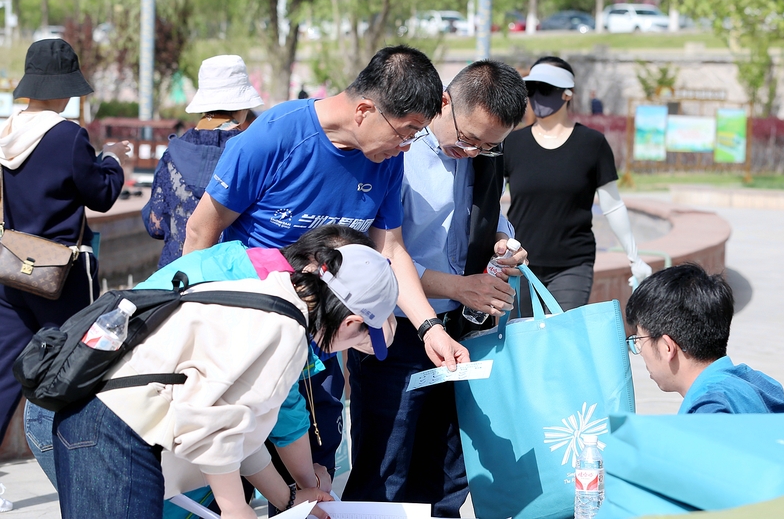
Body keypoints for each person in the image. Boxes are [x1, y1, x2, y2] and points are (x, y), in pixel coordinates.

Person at [183, 45, 470, 493]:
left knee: (314, 474)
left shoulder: (386, 161)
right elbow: (201, 231)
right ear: (364, 111)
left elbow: (391, 249)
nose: (407, 146)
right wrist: (197, 331)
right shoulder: (274, 137)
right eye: (407, 132)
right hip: (249, 341)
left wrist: (430, 328)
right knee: (239, 470)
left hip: (322, 343)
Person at [53, 231, 400, 519]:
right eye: (360, 339)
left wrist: (289, 498)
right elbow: (212, 423)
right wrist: (234, 507)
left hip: (95, 416)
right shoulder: (288, 332)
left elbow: (239, 429)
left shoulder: (272, 292)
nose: (351, 347)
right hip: (114, 428)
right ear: (351, 322)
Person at [344, 60, 529, 517]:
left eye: (488, 146)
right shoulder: (396, 152)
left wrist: (503, 240)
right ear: (444, 102)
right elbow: (382, 255)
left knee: (448, 466)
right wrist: (461, 287)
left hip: (461, 330)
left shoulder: (483, 153)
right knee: (385, 466)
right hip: (396, 330)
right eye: (468, 138)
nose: (473, 152)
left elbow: (487, 213)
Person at [0, 39, 129, 513]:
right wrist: (113, 160)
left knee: (2, 379)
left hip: (10, 269)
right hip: (59, 275)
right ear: (64, 88)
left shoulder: (7, 131)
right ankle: (85, 477)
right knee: (77, 376)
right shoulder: (68, 136)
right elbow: (101, 195)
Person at [504, 56, 652, 314]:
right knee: (524, 336)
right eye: (531, 89)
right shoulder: (512, 144)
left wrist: (635, 258)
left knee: (562, 333)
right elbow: (491, 201)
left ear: (567, 93)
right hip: (521, 263)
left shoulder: (592, 144)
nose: (537, 96)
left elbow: (612, 205)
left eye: (546, 88)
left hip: (572, 264)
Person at [142, 54, 263, 268]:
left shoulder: (172, 153)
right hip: (229, 274)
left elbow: (156, 226)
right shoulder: (253, 154)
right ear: (242, 107)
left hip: (175, 273)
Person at [625, 263, 784, 414]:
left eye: (639, 340)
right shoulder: (762, 386)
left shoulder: (708, 412)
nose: (640, 350)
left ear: (667, 347)